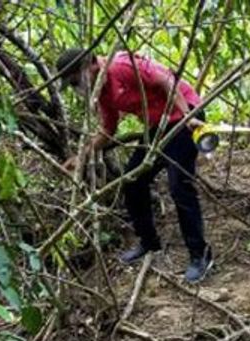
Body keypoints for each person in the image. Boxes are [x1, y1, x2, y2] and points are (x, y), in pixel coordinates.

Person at [56, 48, 213, 283]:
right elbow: (108, 129)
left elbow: (166, 81)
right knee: (132, 181)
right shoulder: (102, 90)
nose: (77, 87)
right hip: (156, 127)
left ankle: (200, 256)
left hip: (183, 117)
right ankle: (149, 243)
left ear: (90, 67)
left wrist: (187, 115)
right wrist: (83, 156)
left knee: (179, 186)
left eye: (76, 80)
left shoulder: (121, 66)